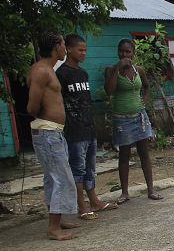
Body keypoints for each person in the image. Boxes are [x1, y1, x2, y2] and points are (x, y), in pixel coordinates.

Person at [57, 34, 118, 219]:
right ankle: (81, 206)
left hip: (89, 127)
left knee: (90, 168)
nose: (84, 53)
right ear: (68, 48)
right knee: (78, 168)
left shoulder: (83, 73)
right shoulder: (61, 74)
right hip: (74, 130)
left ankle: (94, 201)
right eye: (80, 50)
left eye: (85, 50)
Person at [27, 30, 79, 240]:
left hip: (53, 132)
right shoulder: (41, 71)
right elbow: (32, 106)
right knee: (60, 178)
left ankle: (57, 221)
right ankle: (53, 228)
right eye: (63, 44)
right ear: (56, 46)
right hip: (47, 131)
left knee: (53, 178)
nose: (65, 48)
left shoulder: (47, 69)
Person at [104, 39, 162, 203]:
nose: (124, 54)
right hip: (121, 118)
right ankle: (124, 193)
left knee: (144, 152)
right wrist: (117, 68)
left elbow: (146, 86)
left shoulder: (139, 70)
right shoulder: (111, 70)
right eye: (121, 51)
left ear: (133, 53)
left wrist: (144, 98)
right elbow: (109, 90)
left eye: (128, 52)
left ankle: (151, 189)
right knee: (124, 154)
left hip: (139, 116)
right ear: (118, 52)